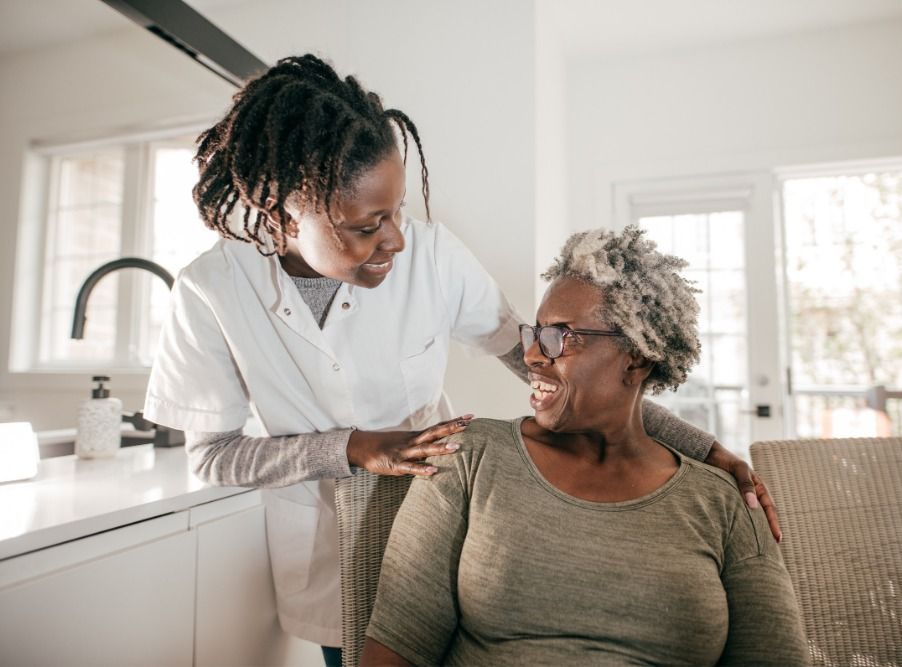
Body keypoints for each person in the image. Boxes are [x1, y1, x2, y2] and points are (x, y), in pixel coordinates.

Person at [143, 54, 778, 666]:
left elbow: (553, 368)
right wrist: (352, 447)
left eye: (398, 213)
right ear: (286, 212)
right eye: (367, 225)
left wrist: (702, 449)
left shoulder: (433, 258)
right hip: (325, 551)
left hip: (449, 533)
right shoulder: (211, 292)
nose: (395, 239)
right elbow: (213, 454)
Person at [361, 226, 808, 666]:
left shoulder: (723, 501)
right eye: (533, 334)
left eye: (559, 337)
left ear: (635, 357)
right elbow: (396, 650)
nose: (533, 355)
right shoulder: (468, 457)